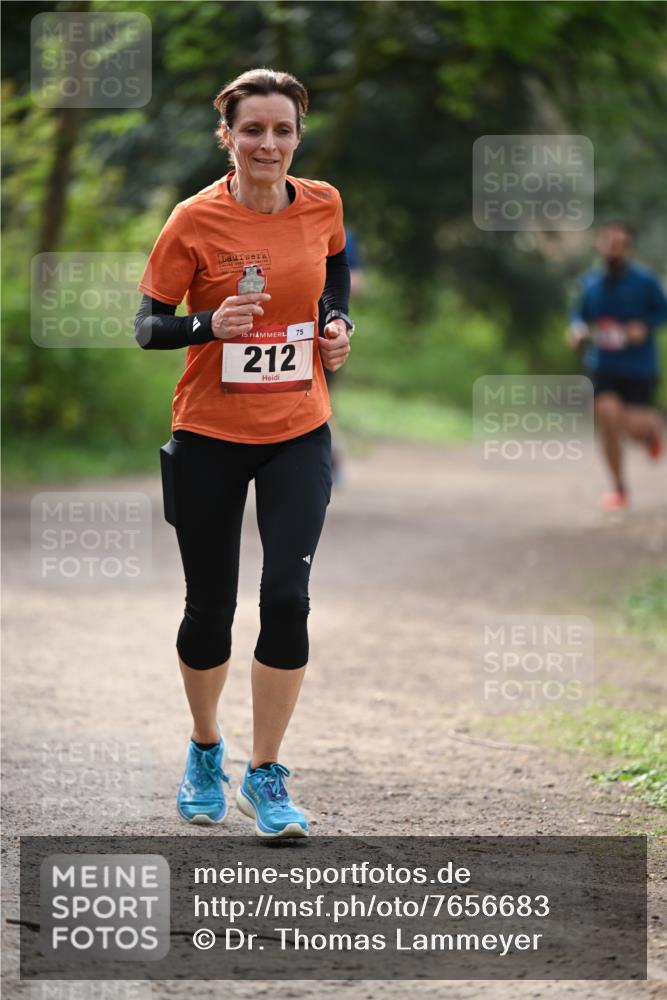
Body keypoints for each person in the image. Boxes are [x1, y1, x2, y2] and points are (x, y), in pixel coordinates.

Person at [134, 68, 355, 838]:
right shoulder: (193, 220)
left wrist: (336, 328)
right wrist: (208, 328)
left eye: (282, 130)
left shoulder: (322, 202)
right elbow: (148, 326)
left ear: (298, 135)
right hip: (209, 434)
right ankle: (204, 748)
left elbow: (335, 277)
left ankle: (265, 774)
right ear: (226, 136)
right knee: (210, 609)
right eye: (252, 129)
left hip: (297, 427)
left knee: (288, 600)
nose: (268, 143)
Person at [566, 222, 667, 511]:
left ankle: (649, 431)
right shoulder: (589, 283)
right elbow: (578, 317)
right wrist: (576, 331)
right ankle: (619, 488)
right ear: (599, 245)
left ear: (628, 249)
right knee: (606, 417)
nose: (613, 248)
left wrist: (644, 327)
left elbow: (663, 312)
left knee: (632, 427)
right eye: (608, 242)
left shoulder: (645, 282)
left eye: (620, 243)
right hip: (603, 364)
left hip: (639, 367)